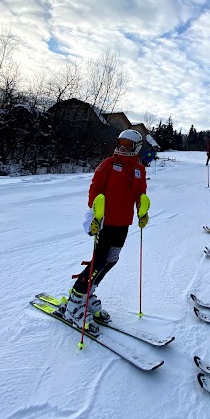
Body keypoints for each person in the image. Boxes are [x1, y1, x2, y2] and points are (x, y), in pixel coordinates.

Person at [60, 129, 150, 336]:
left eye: (127, 145)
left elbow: (140, 194)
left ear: (136, 147)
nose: (121, 148)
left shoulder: (139, 170)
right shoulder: (108, 164)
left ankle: (88, 294)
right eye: (120, 143)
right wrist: (95, 214)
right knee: (98, 261)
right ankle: (75, 300)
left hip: (123, 223)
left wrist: (142, 212)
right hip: (104, 221)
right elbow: (95, 190)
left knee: (112, 259)